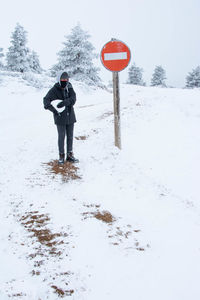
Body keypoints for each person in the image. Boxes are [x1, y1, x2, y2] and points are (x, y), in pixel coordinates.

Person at [43, 70, 79, 164]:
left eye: (66, 78)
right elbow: (46, 101)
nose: (65, 80)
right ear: (59, 79)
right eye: (62, 78)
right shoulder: (54, 89)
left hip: (70, 116)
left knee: (70, 136)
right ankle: (61, 155)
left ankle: (70, 155)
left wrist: (66, 102)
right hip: (60, 118)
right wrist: (54, 110)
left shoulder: (70, 87)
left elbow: (73, 98)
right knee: (61, 136)